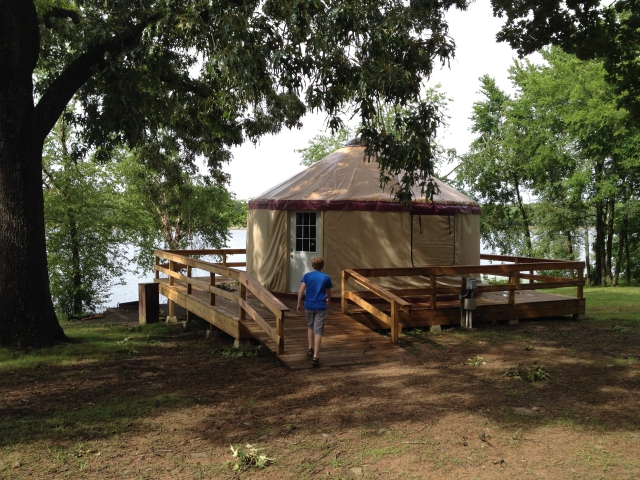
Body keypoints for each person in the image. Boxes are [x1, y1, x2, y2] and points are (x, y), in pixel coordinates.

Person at [297, 256, 333, 367]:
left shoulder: (307, 276)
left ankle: (310, 348)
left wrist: (299, 303)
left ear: (312, 265)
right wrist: (329, 300)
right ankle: (316, 356)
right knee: (318, 330)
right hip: (320, 306)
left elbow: (301, 290)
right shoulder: (326, 277)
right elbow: (329, 292)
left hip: (309, 305)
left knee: (310, 326)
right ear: (323, 265)